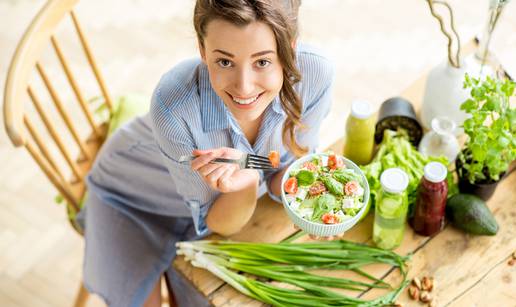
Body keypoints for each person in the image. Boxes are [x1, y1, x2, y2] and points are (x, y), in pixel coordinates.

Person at [80, 0, 334, 306]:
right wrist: (249, 182)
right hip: (134, 197)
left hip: (219, 205)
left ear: (290, 49)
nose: (244, 87)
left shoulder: (315, 74)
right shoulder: (172, 107)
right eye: (224, 62)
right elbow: (219, 223)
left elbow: (287, 167)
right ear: (202, 50)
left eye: (262, 62)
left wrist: (311, 206)